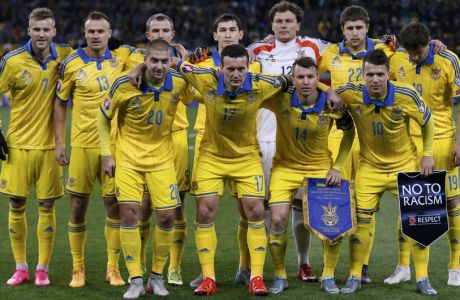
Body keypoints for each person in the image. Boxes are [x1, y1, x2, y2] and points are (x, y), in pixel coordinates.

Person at [175, 44, 289, 296]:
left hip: (246, 157)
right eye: (230, 69)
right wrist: (139, 67)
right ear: (221, 68)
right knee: (205, 212)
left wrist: (327, 92)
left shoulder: (261, 85)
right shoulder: (204, 79)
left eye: (241, 69)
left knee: (256, 211)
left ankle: (256, 278)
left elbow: (291, 79)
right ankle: (208, 278)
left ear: (248, 68)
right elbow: (176, 64)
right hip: (211, 157)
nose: (236, 74)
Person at [99, 39, 194, 299]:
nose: (160, 66)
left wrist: (183, 64)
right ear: (146, 60)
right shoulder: (124, 83)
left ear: (170, 61)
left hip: (162, 158)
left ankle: (156, 276)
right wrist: (107, 155)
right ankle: (136, 279)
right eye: (154, 61)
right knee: (130, 213)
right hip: (128, 158)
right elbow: (103, 118)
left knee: (167, 216)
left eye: (165, 61)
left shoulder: (179, 81)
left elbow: (204, 86)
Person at [336, 49, 436, 295]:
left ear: (388, 75)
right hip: (369, 167)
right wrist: (329, 92)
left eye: (380, 74)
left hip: (406, 165)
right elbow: (330, 92)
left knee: (419, 220)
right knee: (360, 223)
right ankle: (355, 275)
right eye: (370, 74)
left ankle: (422, 278)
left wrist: (428, 153)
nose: (375, 79)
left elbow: (427, 120)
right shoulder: (351, 93)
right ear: (363, 74)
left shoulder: (406, 95)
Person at [247, 1, 330, 283]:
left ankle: (303, 263)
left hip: (301, 141)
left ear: (298, 24)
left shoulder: (314, 46)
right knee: (267, 208)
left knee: (299, 207)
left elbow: (353, 48)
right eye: (279, 21)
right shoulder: (257, 51)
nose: (283, 25)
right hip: (262, 137)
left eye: (289, 21)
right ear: (271, 25)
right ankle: (261, 265)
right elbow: (228, 60)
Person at [54, 11, 135, 288]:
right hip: (82, 145)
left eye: (101, 31)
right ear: (84, 33)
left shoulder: (121, 58)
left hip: (114, 147)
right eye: (91, 31)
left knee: (114, 205)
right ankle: (78, 268)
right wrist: (60, 142)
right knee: (77, 205)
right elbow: (60, 102)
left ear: (109, 34)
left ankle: (112, 268)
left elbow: (152, 49)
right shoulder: (71, 63)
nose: (96, 36)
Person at [263, 56, 355, 294]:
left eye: (311, 77)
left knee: (332, 222)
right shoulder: (279, 98)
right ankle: (280, 274)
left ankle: (328, 275)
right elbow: (254, 86)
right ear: (293, 79)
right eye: (300, 77)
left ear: (318, 79)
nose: (305, 82)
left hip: (319, 167)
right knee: (277, 219)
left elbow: (349, 133)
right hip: (284, 167)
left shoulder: (331, 104)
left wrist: (338, 166)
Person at [318, 5, 396, 283]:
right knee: (335, 200)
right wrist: (330, 91)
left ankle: (361, 266)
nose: (354, 32)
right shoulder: (330, 54)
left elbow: (402, 76)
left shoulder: (384, 52)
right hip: (340, 134)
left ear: (367, 27)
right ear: (342, 30)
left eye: (359, 27)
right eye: (349, 28)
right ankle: (329, 269)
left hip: (371, 137)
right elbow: (306, 76)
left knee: (366, 206)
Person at [188, 13, 262, 289]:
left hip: (244, 143)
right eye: (223, 30)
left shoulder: (253, 67)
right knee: (205, 210)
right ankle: (206, 271)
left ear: (241, 34)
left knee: (249, 210)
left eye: (233, 29)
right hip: (207, 140)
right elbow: (185, 89)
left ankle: (246, 266)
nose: (228, 34)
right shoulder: (202, 65)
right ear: (215, 35)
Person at [0, 7, 71, 287]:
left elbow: (110, 53)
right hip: (17, 145)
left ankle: (42, 268)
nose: (42, 34)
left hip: (49, 148)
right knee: (16, 203)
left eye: (47, 29)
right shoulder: (12, 61)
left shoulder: (65, 57)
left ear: (54, 32)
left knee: (46, 204)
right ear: (28, 31)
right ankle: (21, 267)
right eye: (37, 29)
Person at [385, 22, 460, 287]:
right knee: (409, 204)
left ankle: (456, 265)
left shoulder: (449, 60)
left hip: (442, 140)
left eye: (418, 51)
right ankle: (403, 266)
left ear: (430, 41)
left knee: (452, 203)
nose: (414, 56)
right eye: (410, 52)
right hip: (408, 143)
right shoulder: (397, 59)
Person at [127, 13, 191, 286]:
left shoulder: (183, 64)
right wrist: (134, 69)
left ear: (173, 33)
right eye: (156, 29)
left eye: (166, 29)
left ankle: (173, 267)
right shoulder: (135, 61)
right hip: (143, 142)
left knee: (176, 208)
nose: (161, 34)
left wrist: (185, 64)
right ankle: (139, 265)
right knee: (142, 207)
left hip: (175, 138)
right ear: (147, 33)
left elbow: (190, 95)